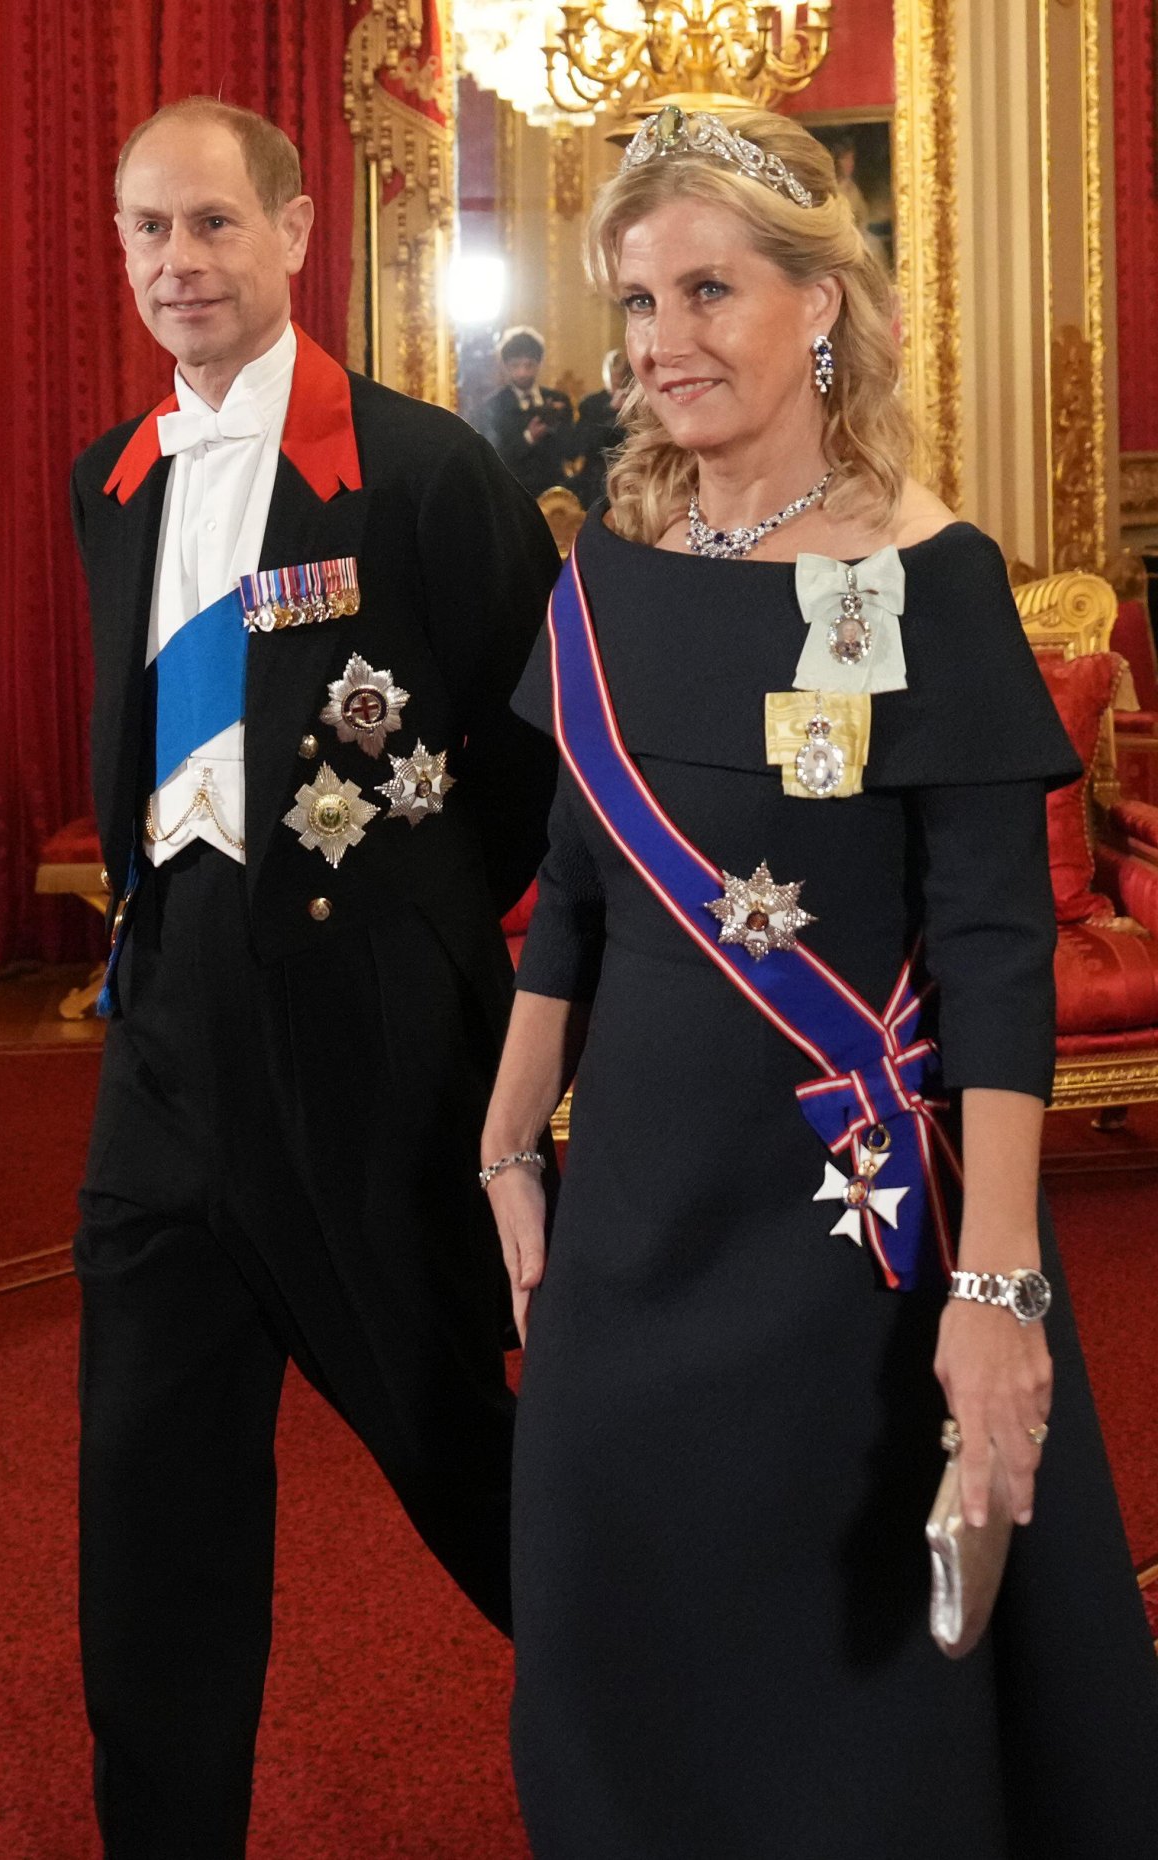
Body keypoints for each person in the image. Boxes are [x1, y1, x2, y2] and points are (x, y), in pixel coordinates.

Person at [481, 105, 1158, 1859]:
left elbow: (999, 947)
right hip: (633, 1214)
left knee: (839, 1686)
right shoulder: (610, 574)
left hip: (848, 1238)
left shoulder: (924, 577)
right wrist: (503, 1149)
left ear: (823, 309)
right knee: (605, 1626)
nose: (663, 342)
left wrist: (998, 1292)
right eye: (639, 300)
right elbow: (570, 887)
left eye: (711, 289)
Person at [70, 96, 557, 1857]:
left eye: (212, 226)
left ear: (293, 235)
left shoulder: (427, 472)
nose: (178, 264)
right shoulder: (105, 479)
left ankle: (703, 1745)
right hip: (162, 1038)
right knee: (149, 1488)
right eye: (147, 232)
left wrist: (413, 944)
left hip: (367, 1044)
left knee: (464, 1444)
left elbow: (526, 766)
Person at [476, 325, 577, 498]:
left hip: (555, 491)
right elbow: (493, 457)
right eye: (515, 366)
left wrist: (554, 424)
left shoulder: (558, 400)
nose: (522, 372)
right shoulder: (494, 406)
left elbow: (571, 451)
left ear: (539, 364)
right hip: (513, 492)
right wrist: (528, 438)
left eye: (529, 365)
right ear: (506, 366)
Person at [572, 347, 630, 509]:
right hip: (597, 476)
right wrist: (611, 411)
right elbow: (585, 444)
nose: (617, 383)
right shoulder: (591, 404)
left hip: (630, 472)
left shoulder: (637, 401)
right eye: (614, 378)